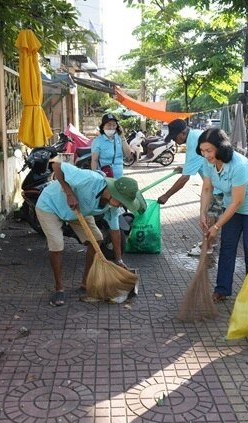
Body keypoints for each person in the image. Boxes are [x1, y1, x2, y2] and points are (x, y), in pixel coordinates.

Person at [35, 161, 146, 306]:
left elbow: (115, 230)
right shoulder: (90, 179)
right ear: (113, 193)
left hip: (77, 211)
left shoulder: (111, 206)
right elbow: (56, 166)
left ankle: (85, 282)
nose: (120, 205)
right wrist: (69, 194)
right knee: (57, 245)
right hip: (50, 205)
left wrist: (118, 259)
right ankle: (59, 288)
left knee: (97, 239)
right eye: (121, 201)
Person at [197, 128, 248, 303]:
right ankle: (222, 289)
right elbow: (207, 188)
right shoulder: (207, 163)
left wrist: (216, 225)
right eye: (202, 150)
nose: (206, 155)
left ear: (221, 148)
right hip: (232, 205)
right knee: (227, 246)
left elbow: (238, 201)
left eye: (209, 150)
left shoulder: (239, 165)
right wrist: (203, 213)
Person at [156, 118, 222, 256]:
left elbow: (185, 178)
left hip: (218, 183)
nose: (175, 140)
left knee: (208, 212)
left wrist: (166, 195)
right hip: (215, 182)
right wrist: (185, 168)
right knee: (212, 212)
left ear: (182, 133)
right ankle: (211, 241)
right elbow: (195, 164)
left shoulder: (196, 141)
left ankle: (207, 246)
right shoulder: (195, 135)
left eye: (175, 137)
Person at [91, 113, 124, 178]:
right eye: (109, 125)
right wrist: (94, 176)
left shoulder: (119, 139)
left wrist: (123, 137)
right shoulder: (97, 141)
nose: (111, 127)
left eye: (114, 125)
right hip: (106, 178)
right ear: (103, 126)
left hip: (120, 178)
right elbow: (94, 160)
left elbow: (129, 156)